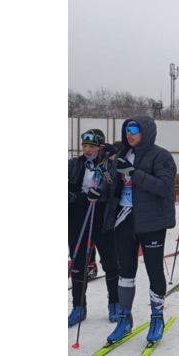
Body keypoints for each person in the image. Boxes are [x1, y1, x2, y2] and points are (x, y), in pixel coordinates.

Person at [106, 117, 178, 343]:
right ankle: (124, 319)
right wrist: (102, 189)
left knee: (154, 269)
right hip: (124, 219)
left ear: (145, 132)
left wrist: (134, 173)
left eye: (134, 130)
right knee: (125, 270)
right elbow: (115, 186)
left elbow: (165, 188)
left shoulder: (161, 155)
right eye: (127, 130)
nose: (130, 134)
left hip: (151, 221)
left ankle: (157, 316)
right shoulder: (122, 155)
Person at [67, 129, 120, 326]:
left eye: (92, 146)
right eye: (85, 146)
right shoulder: (75, 164)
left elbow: (115, 188)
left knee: (109, 261)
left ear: (100, 147)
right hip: (78, 216)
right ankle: (78, 306)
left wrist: (103, 193)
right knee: (78, 261)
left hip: (102, 216)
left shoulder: (109, 166)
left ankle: (114, 302)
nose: (87, 150)